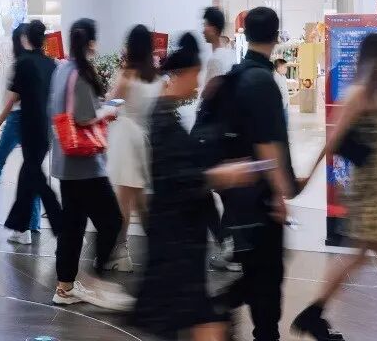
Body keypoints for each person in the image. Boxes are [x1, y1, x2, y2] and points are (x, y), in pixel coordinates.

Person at [292, 33, 377, 341]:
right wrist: (307, 178)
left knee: (362, 258)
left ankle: (313, 315)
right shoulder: (359, 95)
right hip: (372, 195)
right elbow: (334, 140)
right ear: (375, 59)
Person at [134, 32, 256, 341]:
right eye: (195, 75)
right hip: (176, 239)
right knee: (192, 317)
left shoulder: (165, 115)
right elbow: (178, 178)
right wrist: (220, 175)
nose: (198, 83)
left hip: (179, 236)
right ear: (183, 74)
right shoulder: (164, 119)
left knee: (186, 319)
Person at [220, 6, 297, 341]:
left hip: (237, 187)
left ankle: (223, 310)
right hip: (260, 193)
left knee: (255, 267)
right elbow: (267, 145)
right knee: (267, 272)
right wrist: (280, 193)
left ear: (245, 34)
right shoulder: (263, 80)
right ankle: (256, 329)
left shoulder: (237, 75)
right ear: (276, 37)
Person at [48, 18, 124, 308]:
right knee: (112, 221)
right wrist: (107, 113)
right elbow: (84, 117)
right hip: (86, 163)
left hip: (65, 160)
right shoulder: (80, 73)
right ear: (91, 42)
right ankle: (94, 280)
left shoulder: (61, 70)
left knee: (73, 225)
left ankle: (65, 287)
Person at [104, 24, 163, 273]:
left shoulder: (127, 75)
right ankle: (160, 249)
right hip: (143, 136)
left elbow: (111, 103)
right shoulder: (156, 77)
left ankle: (120, 252)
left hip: (125, 138)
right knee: (140, 201)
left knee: (124, 201)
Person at [0, 20, 62, 244]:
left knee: (34, 177)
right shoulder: (51, 64)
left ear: (27, 39)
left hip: (29, 127)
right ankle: (21, 228)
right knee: (28, 176)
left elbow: (13, 98)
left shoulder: (23, 63)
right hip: (45, 128)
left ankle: (60, 224)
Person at [0, 23, 41, 232]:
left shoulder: (21, 64)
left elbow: (11, 101)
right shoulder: (41, 63)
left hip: (17, 119)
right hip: (34, 120)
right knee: (32, 170)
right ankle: (35, 222)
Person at [201, 6, 240, 273]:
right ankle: (229, 244)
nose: (202, 29)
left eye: (205, 24)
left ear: (213, 28)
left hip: (214, 134)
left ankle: (228, 244)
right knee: (223, 192)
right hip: (225, 133)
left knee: (210, 190)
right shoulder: (228, 55)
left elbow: (208, 95)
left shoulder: (217, 60)